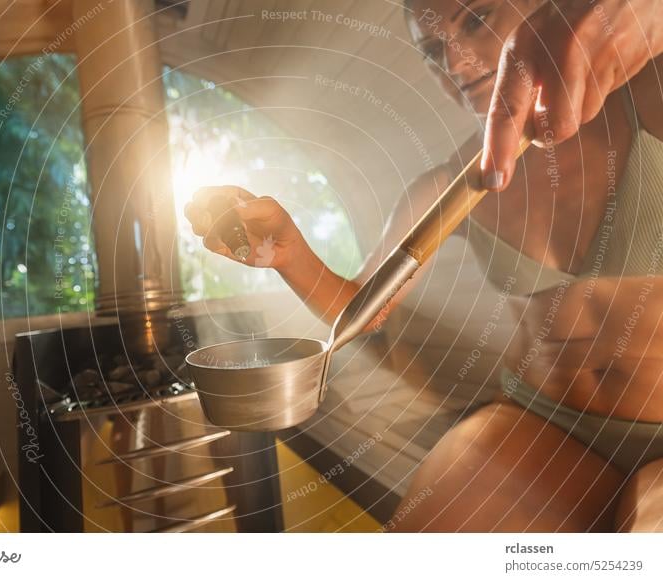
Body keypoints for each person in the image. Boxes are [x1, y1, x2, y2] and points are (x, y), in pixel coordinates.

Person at [185, 0, 663, 532]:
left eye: (477, 21)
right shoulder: (450, 186)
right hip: (544, 419)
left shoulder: (649, 95)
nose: (455, 64)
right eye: (433, 51)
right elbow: (364, 308)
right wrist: (286, 252)